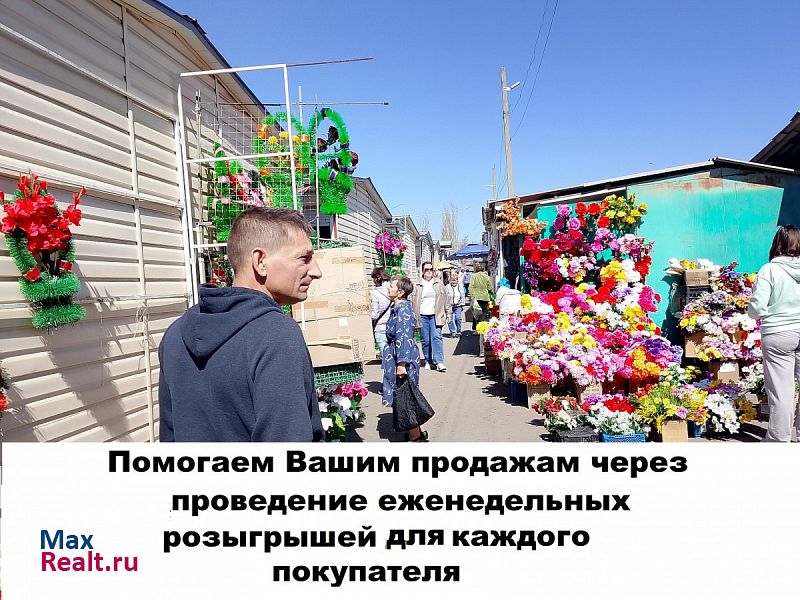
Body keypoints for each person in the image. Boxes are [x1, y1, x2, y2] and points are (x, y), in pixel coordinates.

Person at [158, 207, 324, 442]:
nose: (316, 271)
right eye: (304, 258)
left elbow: (169, 436)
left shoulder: (175, 334)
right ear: (260, 261)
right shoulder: (277, 335)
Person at [747, 225, 800, 442]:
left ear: (777, 243)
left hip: (779, 333)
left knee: (782, 391)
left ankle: (778, 439)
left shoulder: (769, 270)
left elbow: (757, 308)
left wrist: (753, 312)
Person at [382, 276, 427, 442]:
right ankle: (420, 431)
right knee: (408, 394)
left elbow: (403, 337)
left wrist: (401, 364)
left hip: (403, 358)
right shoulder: (399, 307)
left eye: (391, 286)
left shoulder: (402, 310)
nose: (388, 288)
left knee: (406, 397)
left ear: (400, 292)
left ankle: (415, 436)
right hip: (399, 356)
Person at [412, 261, 447, 371]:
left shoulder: (438, 283)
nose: (429, 272)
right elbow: (412, 301)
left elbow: (445, 298)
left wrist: (448, 312)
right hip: (422, 316)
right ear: (422, 271)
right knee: (425, 340)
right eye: (426, 269)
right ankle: (428, 360)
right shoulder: (416, 285)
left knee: (436, 337)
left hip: (436, 315)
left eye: (430, 269)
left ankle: (439, 362)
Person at [370, 267, 392, 352]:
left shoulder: (375, 293)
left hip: (380, 327)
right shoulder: (393, 289)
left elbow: (374, 315)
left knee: (385, 354)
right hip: (392, 326)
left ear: (377, 278)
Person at [468, 262, 493, 330]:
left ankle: (476, 327)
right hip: (485, 297)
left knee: (475, 312)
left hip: (476, 297)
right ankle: (482, 327)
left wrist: (471, 296)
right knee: (484, 312)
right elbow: (490, 287)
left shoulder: (473, 276)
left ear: (476, 269)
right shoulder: (487, 276)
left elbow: (470, 287)